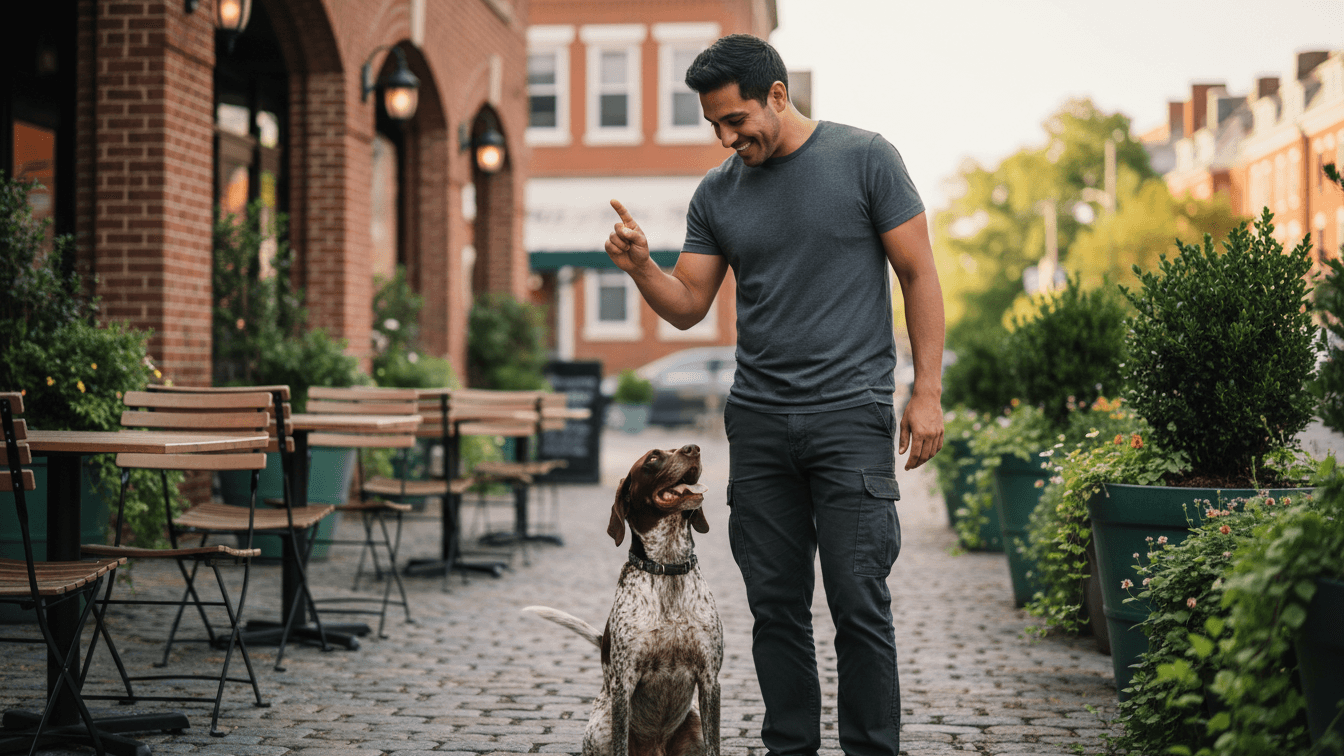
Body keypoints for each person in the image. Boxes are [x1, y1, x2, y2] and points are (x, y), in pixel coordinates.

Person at [602, 33, 944, 756]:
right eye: (714, 126)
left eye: (736, 120)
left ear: (777, 96)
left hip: (850, 417)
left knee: (859, 603)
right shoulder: (718, 192)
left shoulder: (866, 159)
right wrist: (640, 266)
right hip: (757, 424)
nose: (727, 139)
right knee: (776, 609)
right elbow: (691, 301)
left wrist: (927, 392)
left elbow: (919, 274)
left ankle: (872, 749)